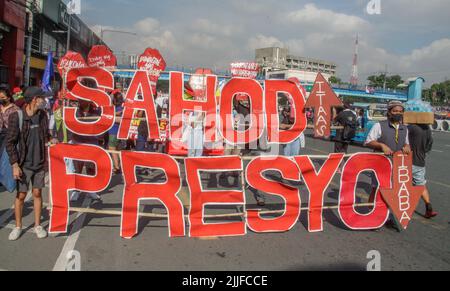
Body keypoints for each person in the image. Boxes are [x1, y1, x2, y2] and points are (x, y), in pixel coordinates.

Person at [5, 87, 55, 241]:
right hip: (23, 164)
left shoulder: (43, 115)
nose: (44, 101)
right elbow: (10, 142)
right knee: (20, 196)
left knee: (37, 193)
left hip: (39, 163)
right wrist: (15, 165)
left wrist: (52, 140)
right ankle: (18, 226)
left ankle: (37, 225)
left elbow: (46, 135)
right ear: (34, 99)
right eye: (42, 98)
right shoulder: (17, 116)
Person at [365, 100, 411, 205]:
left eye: (400, 111)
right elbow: (368, 141)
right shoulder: (379, 125)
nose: (398, 113)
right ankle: (371, 209)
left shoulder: (405, 128)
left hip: (398, 165)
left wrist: (407, 146)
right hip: (380, 164)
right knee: (376, 188)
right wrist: (382, 145)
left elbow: (406, 143)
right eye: (395, 111)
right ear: (389, 112)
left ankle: (388, 215)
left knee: (393, 189)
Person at [408, 123, 438, 219]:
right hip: (420, 161)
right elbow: (429, 147)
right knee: (421, 185)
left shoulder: (410, 128)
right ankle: (428, 206)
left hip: (407, 161)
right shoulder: (427, 129)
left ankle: (404, 208)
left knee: (402, 185)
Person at [0, 88, 20, 192]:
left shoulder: (15, 109)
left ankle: (5, 180)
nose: (1, 100)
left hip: (8, 135)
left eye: (3, 98)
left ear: (8, 97)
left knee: (4, 157)